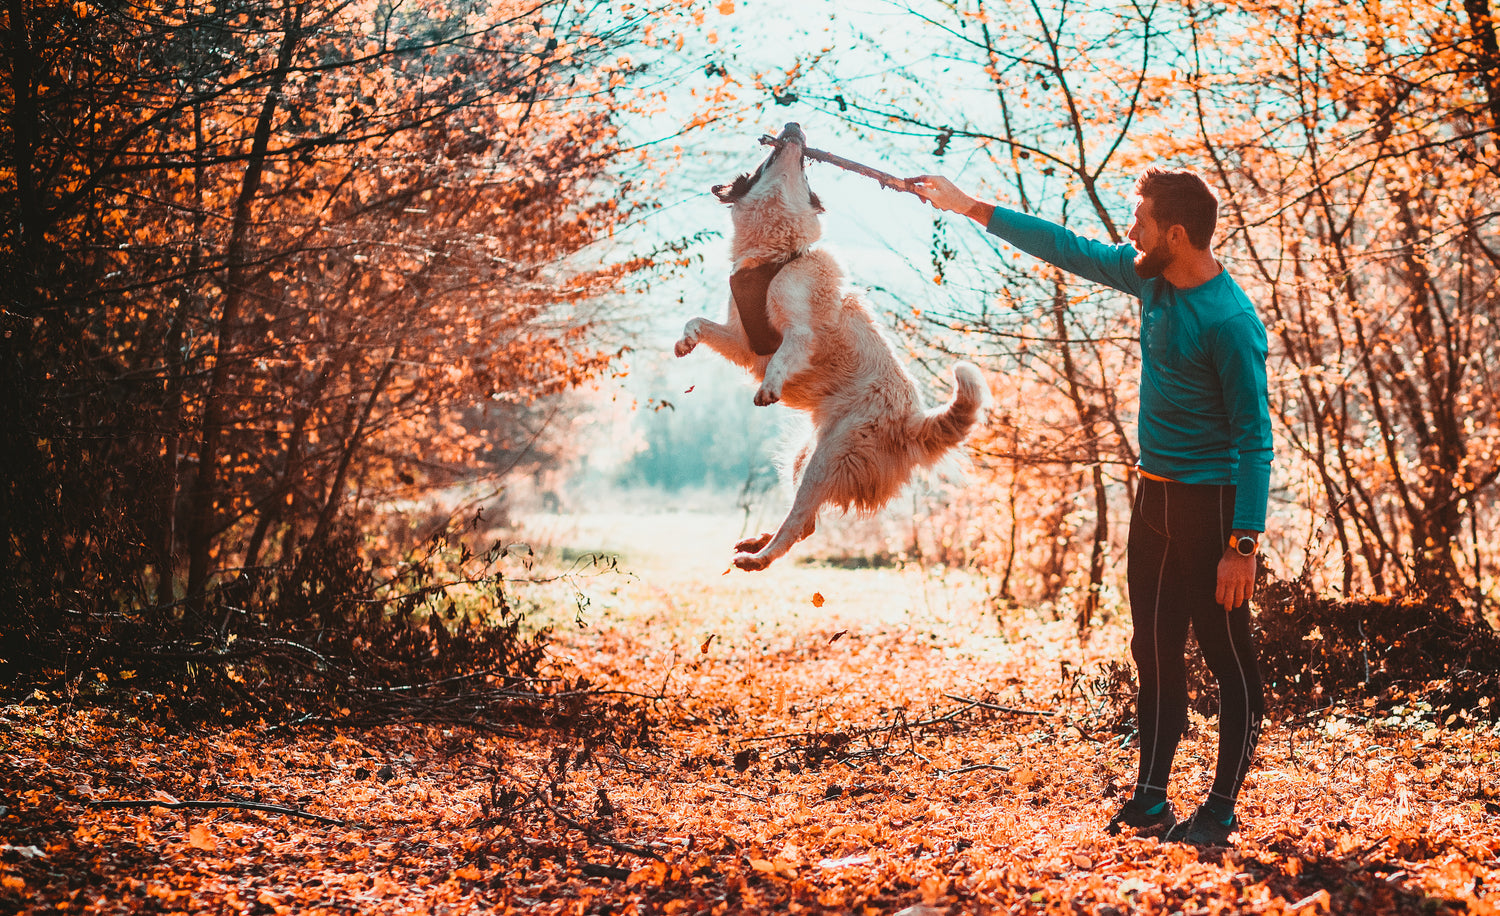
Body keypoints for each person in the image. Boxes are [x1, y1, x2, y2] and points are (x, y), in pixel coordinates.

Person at [909, 168, 1271, 846]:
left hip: (1215, 507)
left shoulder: (1231, 321)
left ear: (1176, 233)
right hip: (1154, 498)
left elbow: (1256, 442)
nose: (1126, 232)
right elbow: (1065, 247)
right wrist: (967, 204)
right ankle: (1152, 801)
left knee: (1228, 657)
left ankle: (1220, 811)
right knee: (1154, 651)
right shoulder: (1150, 277)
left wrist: (1242, 543)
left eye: (1138, 220)